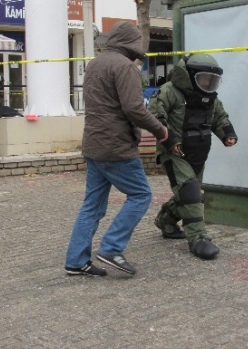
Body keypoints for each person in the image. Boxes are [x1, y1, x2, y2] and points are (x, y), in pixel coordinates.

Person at [64, 21, 168, 277]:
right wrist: (160, 130)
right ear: (132, 43)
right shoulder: (125, 67)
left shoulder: (95, 64)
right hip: (116, 147)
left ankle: (76, 261)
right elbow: (134, 108)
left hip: (94, 145)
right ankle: (111, 248)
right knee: (141, 195)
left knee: (92, 206)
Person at [147, 53, 238, 260]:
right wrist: (170, 142)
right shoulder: (169, 92)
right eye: (204, 79)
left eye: (211, 80)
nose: (208, 84)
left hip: (198, 152)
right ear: (188, 76)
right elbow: (155, 117)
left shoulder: (211, 100)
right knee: (189, 192)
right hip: (174, 152)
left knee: (191, 195)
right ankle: (198, 238)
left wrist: (228, 134)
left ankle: (165, 221)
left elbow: (219, 118)